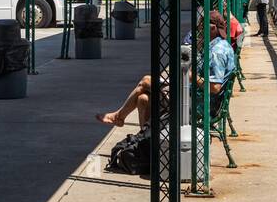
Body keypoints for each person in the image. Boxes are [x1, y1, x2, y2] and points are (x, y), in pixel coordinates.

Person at [97, 10, 234, 127]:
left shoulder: (217, 52)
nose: (198, 29)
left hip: (199, 104)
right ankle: (145, 142)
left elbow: (215, 88)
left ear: (212, 28)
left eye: (201, 26)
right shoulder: (216, 45)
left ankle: (118, 117)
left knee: (146, 81)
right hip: (193, 94)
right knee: (143, 99)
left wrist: (192, 76)